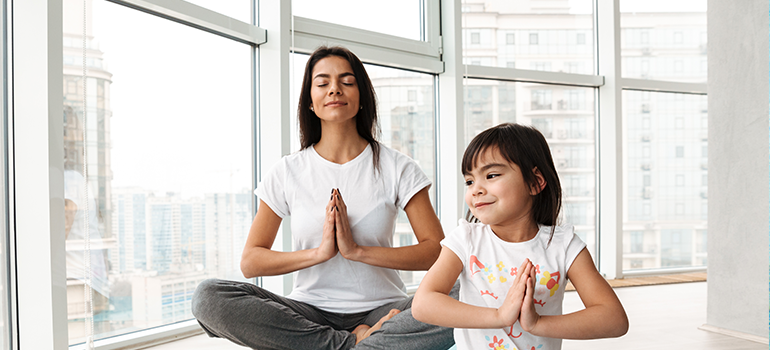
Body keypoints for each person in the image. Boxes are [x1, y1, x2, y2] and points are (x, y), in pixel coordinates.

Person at [192, 46, 458, 350]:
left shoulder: (397, 166)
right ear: (310, 101)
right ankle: (351, 343)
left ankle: (350, 342)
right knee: (209, 297)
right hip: (309, 314)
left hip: (385, 310)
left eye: (347, 82)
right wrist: (319, 253)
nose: (334, 89)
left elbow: (435, 251)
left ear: (361, 97)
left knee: (470, 289)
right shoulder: (288, 170)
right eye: (322, 83)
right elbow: (251, 261)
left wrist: (357, 251)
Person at [412, 123, 628, 350]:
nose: (475, 189)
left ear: (535, 182)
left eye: (491, 175)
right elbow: (423, 304)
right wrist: (499, 316)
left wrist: (536, 323)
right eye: (469, 181)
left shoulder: (563, 245)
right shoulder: (466, 239)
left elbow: (614, 320)